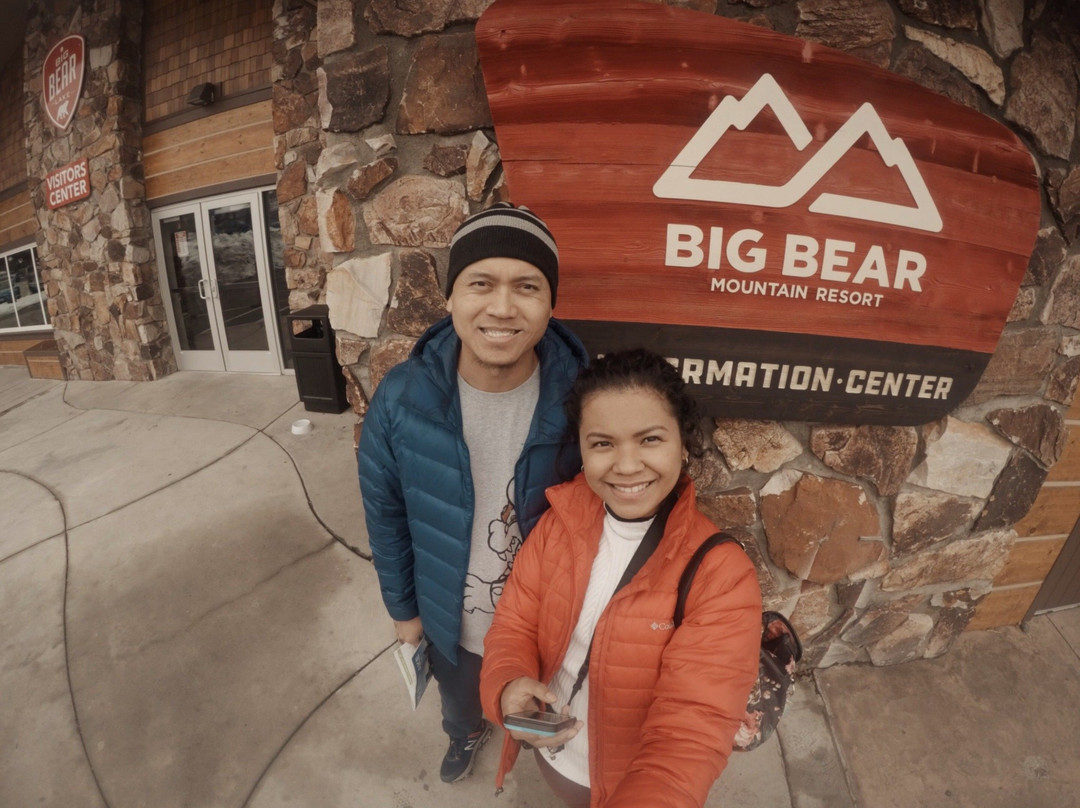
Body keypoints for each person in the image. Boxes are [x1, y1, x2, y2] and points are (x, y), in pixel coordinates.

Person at [357, 202, 589, 783]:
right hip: (450, 622)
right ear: (450, 297)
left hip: (549, 625)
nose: (502, 307)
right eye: (480, 283)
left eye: (527, 286)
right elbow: (385, 514)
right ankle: (464, 734)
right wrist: (403, 612)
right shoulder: (402, 397)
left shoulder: (586, 400)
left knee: (549, 723)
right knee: (461, 705)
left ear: (551, 303)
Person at [479, 348, 763, 807]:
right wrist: (508, 685)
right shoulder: (560, 522)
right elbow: (513, 624)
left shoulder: (721, 576)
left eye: (650, 439)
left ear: (683, 443)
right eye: (603, 443)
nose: (626, 465)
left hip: (624, 783)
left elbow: (690, 732)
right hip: (551, 756)